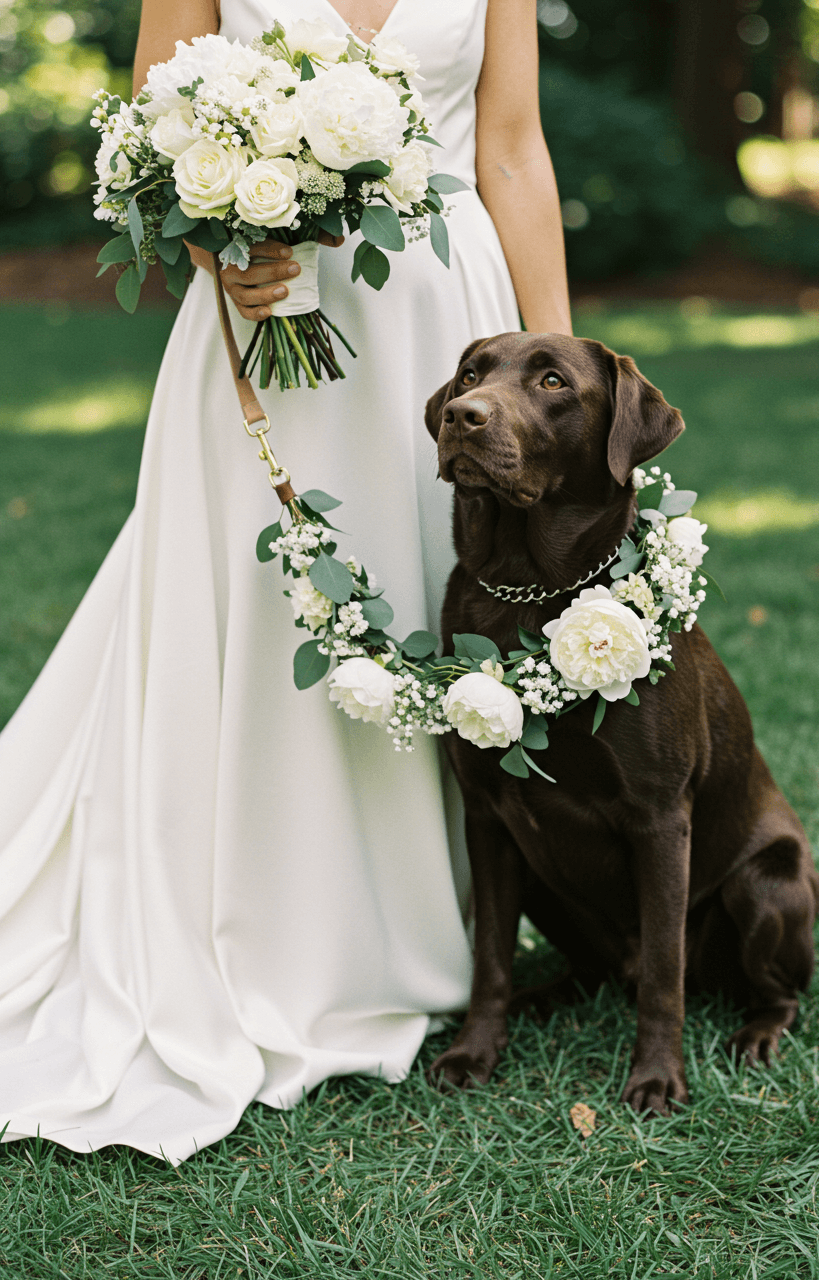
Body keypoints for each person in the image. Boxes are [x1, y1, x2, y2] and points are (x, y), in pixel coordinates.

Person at [0, 0, 572, 1164]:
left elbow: (508, 144)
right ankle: (265, 922)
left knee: (429, 594)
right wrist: (222, 248)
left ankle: (447, 924)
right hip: (268, 325)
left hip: (445, 321)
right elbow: (146, 139)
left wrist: (563, 374)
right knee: (266, 614)